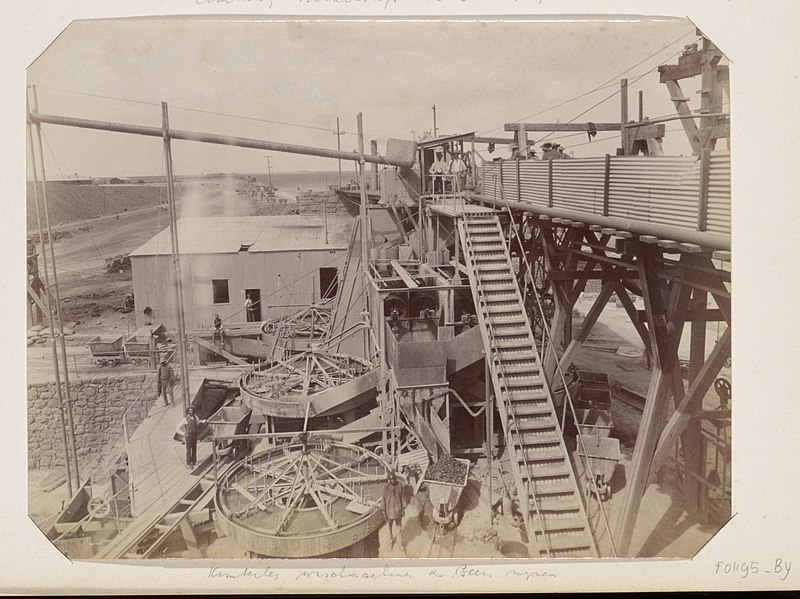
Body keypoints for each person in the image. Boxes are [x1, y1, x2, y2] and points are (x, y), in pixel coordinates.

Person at [382, 470, 405, 547]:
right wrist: (384, 511)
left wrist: (403, 509)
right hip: (389, 511)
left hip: (398, 511)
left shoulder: (400, 485)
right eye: (391, 479)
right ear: (388, 479)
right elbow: (383, 499)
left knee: (399, 528)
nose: (393, 480)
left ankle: (400, 544)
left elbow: (402, 498)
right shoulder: (386, 487)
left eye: (394, 478)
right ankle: (390, 543)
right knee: (389, 528)